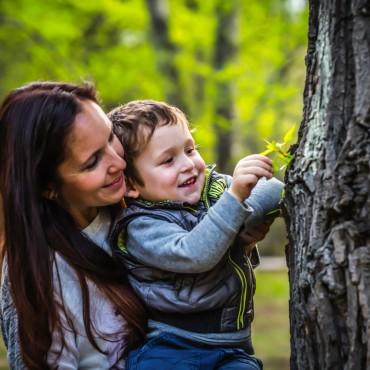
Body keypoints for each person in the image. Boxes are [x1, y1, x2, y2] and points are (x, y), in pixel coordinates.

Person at [108, 100, 284, 369]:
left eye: (190, 150)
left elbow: (271, 190)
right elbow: (194, 254)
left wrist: (244, 234)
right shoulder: (140, 226)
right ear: (131, 184)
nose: (188, 164)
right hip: (172, 347)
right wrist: (237, 199)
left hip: (232, 348)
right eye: (168, 160)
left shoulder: (215, 192)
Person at [0, 82, 148, 369]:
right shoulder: (42, 276)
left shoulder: (137, 203)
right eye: (92, 162)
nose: (118, 161)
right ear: (49, 187)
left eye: (110, 137)